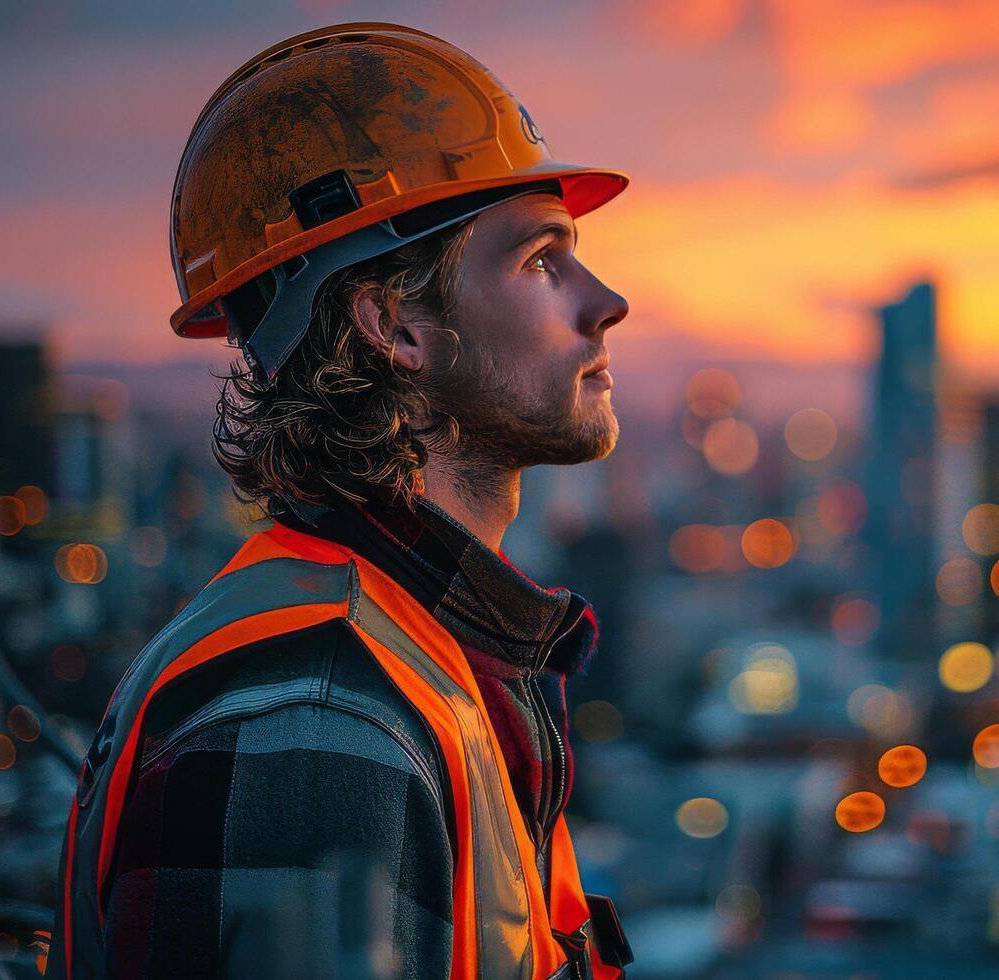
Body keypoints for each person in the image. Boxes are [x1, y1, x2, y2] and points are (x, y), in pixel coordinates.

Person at [52, 23, 634, 979]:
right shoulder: (320, 727)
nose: (605, 298)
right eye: (539, 260)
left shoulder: (415, 656)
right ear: (393, 325)